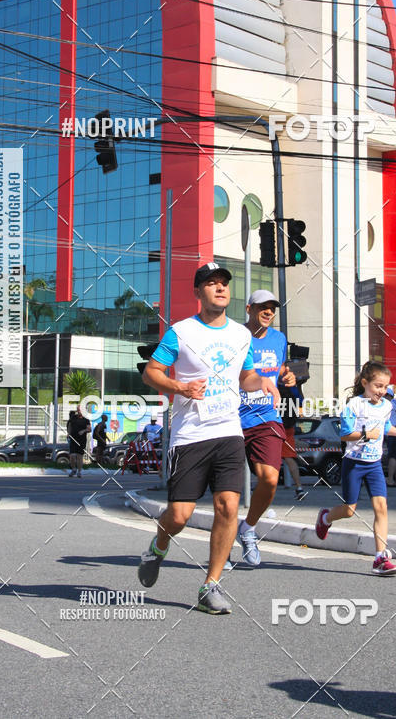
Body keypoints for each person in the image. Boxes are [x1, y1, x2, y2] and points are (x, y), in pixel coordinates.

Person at [137, 262, 280, 615]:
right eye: (211, 283)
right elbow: (151, 373)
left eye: (224, 284)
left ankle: (209, 586)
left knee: (228, 506)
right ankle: (157, 547)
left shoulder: (240, 335)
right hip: (190, 435)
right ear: (198, 292)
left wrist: (261, 381)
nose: (220, 288)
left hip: (228, 431)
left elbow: (244, 375)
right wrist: (179, 386)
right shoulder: (181, 332)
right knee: (180, 516)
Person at [315, 360, 396, 576]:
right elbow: (345, 435)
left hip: (374, 464)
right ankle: (326, 518)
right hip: (354, 463)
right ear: (365, 383)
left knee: (381, 508)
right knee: (349, 510)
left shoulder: (386, 406)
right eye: (377, 386)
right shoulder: (353, 405)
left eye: (385, 387)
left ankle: (380, 558)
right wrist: (366, 435)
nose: (382, 391)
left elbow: (385, 428)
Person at [235, 290, 297, 568]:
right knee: (226, 491)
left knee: (270, 479)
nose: (269, 311)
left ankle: (248, 528)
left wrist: (287, 375)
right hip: (232, 417)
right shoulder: (234, 335)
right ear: (249, 308)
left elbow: (279, 367)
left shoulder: (279, 338)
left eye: (273, 307)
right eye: (263, 307)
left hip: (266, 416)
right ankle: (219, 549)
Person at [279, 382, 306, 499]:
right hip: (289, 426)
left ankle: (266, 485)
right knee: (289, 458)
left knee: (267, 457)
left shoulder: (273, 382)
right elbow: (301, 401)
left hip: (274, 424)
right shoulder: (293, 387)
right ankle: (299, 487)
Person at [67, 404, 90, 477]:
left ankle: (79, 471)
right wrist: (69, 433)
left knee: (79, 456)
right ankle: (73, 469)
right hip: (73, 439)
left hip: (81, 440)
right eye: (78, 410)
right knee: (72, 455)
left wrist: (83, 431)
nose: (79, 411)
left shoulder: (86, 420)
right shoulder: (73, 417)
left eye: (80, 410)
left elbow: (89, 429)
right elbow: (70, 425)